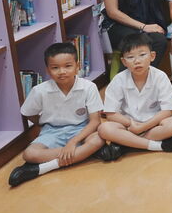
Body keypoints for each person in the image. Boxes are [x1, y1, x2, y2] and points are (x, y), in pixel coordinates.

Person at [8, 43, 111, 187]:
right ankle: (84, 154)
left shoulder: (89, 87)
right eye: (55, 67)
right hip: (52, 131)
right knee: (29, 154)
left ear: (77, 66)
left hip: (82, 130)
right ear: (47, 70)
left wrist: (72, 142)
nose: (62, 71)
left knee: (98, 139)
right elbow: (29, 113)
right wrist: (43, 124)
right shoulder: (40, 91)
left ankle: (41, 168)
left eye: (68, 66)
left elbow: (95, 122)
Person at [98, 33, 172, 157]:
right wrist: (131, 124)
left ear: (152, 56)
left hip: (153, 125)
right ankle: (157, 146)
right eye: (130, 57)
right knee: (104, 129)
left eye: (142, 55)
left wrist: (143, 127)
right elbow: (111, 114)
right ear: (124, 61)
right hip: (128, 126)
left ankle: (127, 144)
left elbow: (167, 111)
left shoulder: (160, 77)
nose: (137, 61)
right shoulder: (118, 80)